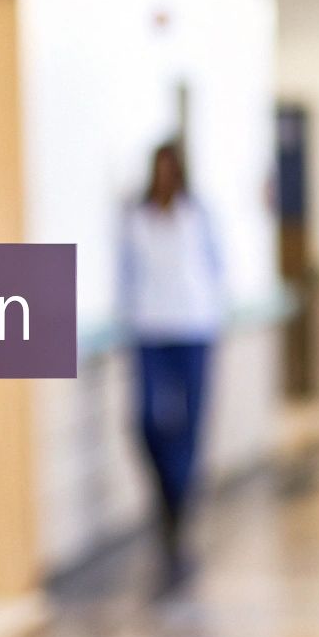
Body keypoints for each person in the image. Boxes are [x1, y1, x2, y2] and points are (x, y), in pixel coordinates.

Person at [118, 140, 226, 578]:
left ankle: (180, 507)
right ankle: (167, 493)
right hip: (150, 331)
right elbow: (126, 275)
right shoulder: (135, 218)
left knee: (190, 425)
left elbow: (217, 268)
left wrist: (215, 314)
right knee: (146, 421)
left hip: (194, 329)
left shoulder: (198, 216)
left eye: (172, 169)